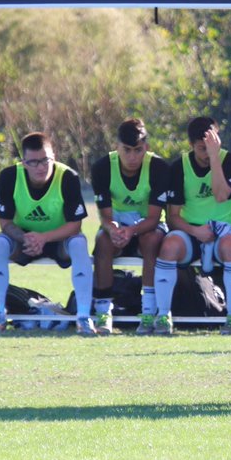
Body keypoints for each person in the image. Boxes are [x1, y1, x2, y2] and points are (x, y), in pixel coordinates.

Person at [0, 132, 95, 334]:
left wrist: (43, 238)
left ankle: (83, 317)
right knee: (0, 243)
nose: (40, 167)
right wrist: (25, 237)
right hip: (24, 240)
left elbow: (75, 225)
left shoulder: (67, 177)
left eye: (45, 160)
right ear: (23, 162)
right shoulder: (10, 176)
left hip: (57, 239)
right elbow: (5, 223)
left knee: (79, 242)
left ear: (53, 156)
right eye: (33, 162)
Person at [153, 117, 231, 335]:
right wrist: (196, 231)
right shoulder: (178, 167)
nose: (206, 153)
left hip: (225, 230)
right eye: (201, 148)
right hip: (191, 231)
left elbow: (221, 195)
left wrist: (215, 158)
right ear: (191, 145)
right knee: (169, 246)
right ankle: (163, 316)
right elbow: (173, 216)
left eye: (211, 146)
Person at [90, 118, 169, 335]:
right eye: (127, 150)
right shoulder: (102, 168)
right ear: (116, 147)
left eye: (138, 150)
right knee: (102, 243)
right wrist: (114, 229)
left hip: (148, 226)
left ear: (147, 147)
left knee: (151, 241)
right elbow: (105, 216)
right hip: (118, 226)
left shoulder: (159, 168)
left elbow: (154, 217)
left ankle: (149, 311)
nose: (133, 157)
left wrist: (132, 230)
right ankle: (104, 312)